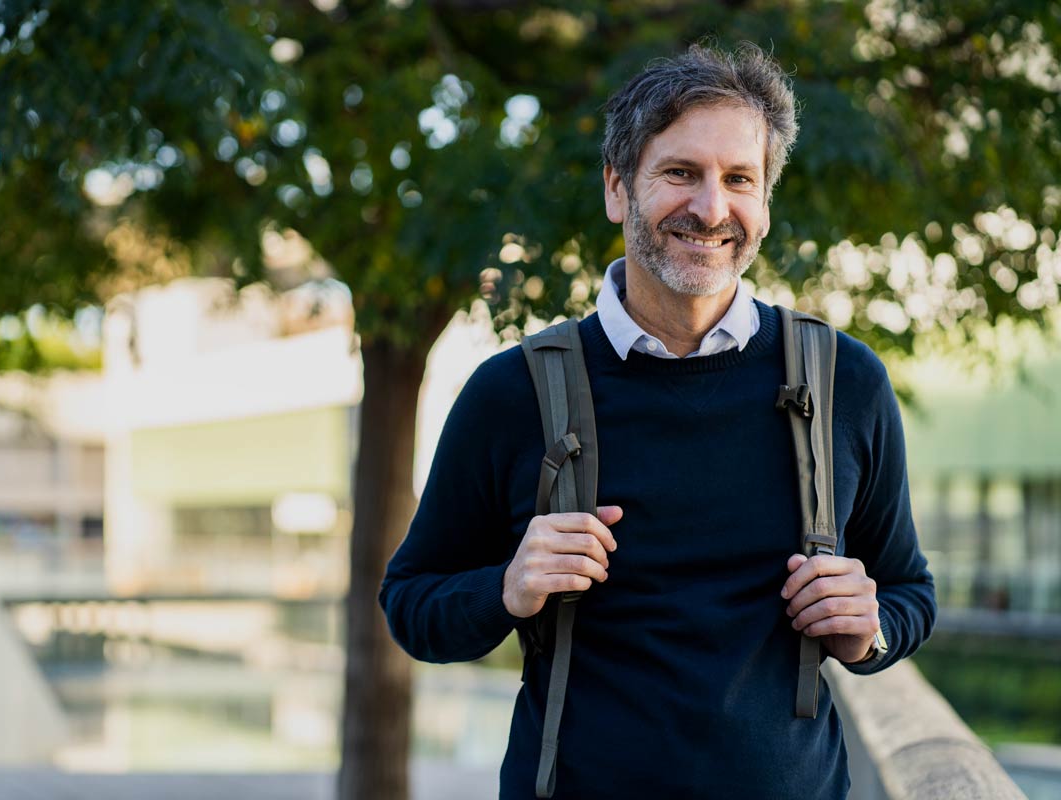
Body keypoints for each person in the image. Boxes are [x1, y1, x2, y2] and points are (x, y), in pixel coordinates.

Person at [379, 42, 936, 799]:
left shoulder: (849, 383)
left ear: (765, 202)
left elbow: (909, 591)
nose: (711, 209)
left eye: (739, 179)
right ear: (617, 188)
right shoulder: (511, 393)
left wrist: (870, 628)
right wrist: (506, 587)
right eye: (680, 172)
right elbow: (411, 604)